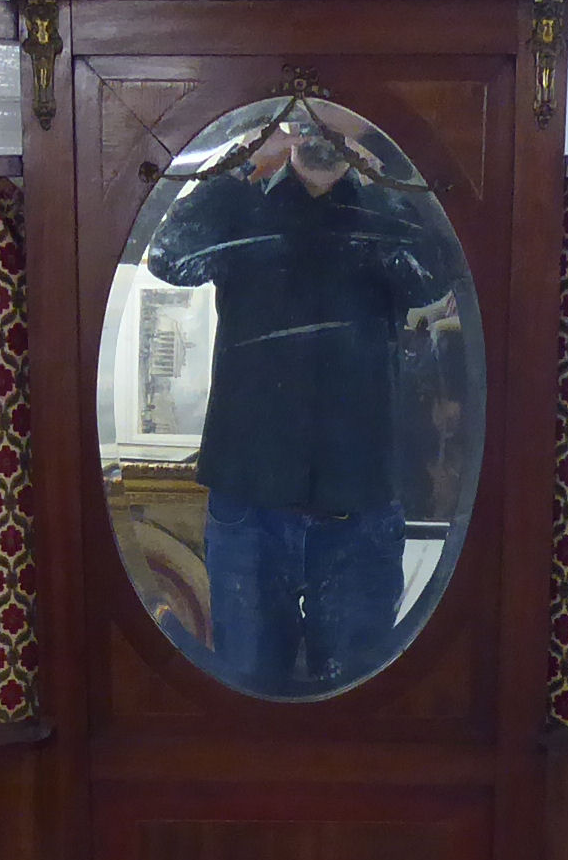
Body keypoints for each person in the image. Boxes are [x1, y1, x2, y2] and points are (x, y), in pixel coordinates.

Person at [146, 103, 453, 693]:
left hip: (359, 509)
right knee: (250, 699)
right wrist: (240, 162)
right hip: (249, 508)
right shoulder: (244, 205)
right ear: (285, 127)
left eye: (331, 121)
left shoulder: (384, 216)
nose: (320, 134)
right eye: (307, 122)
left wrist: (381, 160)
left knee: (359, 705)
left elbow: (431, 277)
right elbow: (168, 258)